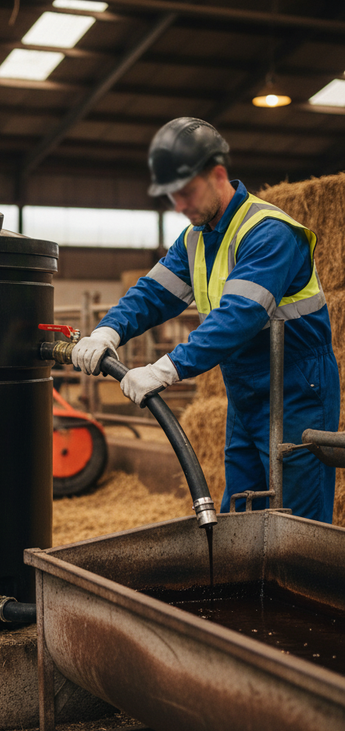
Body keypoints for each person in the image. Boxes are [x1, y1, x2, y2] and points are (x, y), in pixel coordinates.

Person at [71, 116, 340, 523]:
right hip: (246, 392)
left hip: (297, 387)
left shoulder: (269, 232)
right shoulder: (195, 238)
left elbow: (240, 316)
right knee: (242, 511)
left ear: (218, 174)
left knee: (297, 521)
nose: (179, 207)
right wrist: (108, 329)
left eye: (186, 192)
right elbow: (153, 294)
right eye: (171, 197)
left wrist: (166, 368)